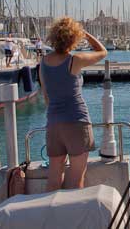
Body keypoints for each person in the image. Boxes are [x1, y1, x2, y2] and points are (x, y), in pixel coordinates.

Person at [39, 17, 107, 191]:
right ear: (73, 38)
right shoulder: (74, 60)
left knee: (54, 178)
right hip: (77, 121)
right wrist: (86, 35)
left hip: (53, 124)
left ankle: (51, 216)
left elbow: (46, 96)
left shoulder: (43, 63)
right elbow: (102, 51)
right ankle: (72, 218)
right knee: (76, 179)